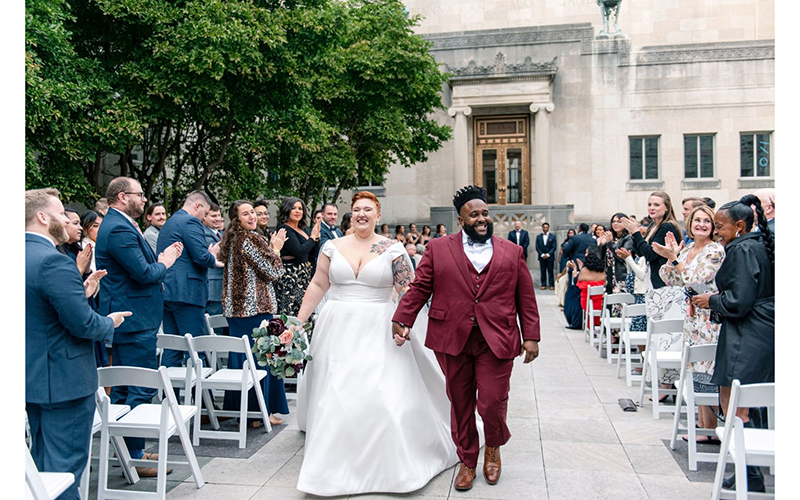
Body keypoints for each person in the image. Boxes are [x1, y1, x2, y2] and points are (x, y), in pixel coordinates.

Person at [294, 191, 458, 496]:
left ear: (378, 216)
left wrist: (404, 323)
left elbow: (407, 290)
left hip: (379, 326)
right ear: (351, 214)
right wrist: (297, 322)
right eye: (356, 209)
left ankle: (389, 465)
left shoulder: (393, 248)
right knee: (335, 393)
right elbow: (318, 284)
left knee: (381, 392)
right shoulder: (332, 246)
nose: (361, 214)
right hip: (336, 327)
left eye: (368, 209)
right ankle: (329, 469)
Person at [392, 185, 540, 492]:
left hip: (496, 338)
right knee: (460, 404)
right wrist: (402, 318)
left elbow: (525, 296)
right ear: (461, 220)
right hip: (452, 337)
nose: (482, 219)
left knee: (492, 403)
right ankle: (468, 460)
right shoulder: (438, 248)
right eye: (474, 214)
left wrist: (532, 336)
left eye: (485, 213)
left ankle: (493, 447)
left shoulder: (512, 252)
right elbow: (420, 288)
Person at [26, 188, 129, 500]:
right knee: (64, 470)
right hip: (63, 380)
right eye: (60, 214)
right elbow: (83, 324)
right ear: (42, 217)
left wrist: (78, 295)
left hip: (32, 377)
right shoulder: (52, 261)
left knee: (42, 464)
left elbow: (37, 310)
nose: (67, 220)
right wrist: (110, 321)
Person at [95, 177, 183, 475]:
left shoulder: (119, 223)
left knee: (123, 386)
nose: (145, 199)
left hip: (133, 317)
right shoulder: (118, 227)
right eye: (140, 194)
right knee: (138, 386)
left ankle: (129, 452)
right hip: (134, 320)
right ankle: (134, 455)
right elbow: (144, 273)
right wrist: (165, 263)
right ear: (122, 196)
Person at [691, 195, 774, 493]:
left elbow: (739, 300)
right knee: (747, 402)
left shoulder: (741, 249)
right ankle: (748, 472)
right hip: (757, 330)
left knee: (739, 405)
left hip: (748, 332)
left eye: (720, 226)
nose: (715, 231)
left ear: (739, 226)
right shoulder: (755, 245)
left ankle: (748, 473)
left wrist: (709, 299)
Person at [655, 204, 724, 442]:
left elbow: (694, 279)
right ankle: (703, 424)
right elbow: (671, 278)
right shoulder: (689, 250)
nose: (701, 224)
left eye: (706, 221)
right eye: (697, 220)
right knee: (694, 368)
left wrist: (676, 260)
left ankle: (710, 428)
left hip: (708, 316)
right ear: (690, 224)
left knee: (706, 367)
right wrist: (670, 257)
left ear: (713, 225)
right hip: (692, 317)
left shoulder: (714, 251)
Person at [219, 200, 288, 427]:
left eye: (252, 213)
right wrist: (276, 249)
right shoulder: (250, 238)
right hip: (254, 308)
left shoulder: (231, 239)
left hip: (236, 309)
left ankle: (244, 411)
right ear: (236, 218)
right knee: (260, 358)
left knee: (241, 358)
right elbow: (273, 271)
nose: (251, 217)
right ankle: (259, 413)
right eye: (245, 214)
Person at [621, 191, 685, 399]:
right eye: (650, 204)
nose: (652, 208)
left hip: (666, 288)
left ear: (666, 207)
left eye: (657, 204)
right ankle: (662, 383)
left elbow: (650, 254)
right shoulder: (654, 226)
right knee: (658, 336)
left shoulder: (667, 227)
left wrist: (635, 233)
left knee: (667, 337)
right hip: (654, 287)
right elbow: (644, 253)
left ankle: (667, 386)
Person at [157, 191, 221, 368]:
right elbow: (201, 257)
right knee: (195, 347)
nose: (204, 217)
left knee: (172, 347)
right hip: (188, 292)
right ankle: (200, 395)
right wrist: (212, 256)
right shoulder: (190, 221)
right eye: (205, 213)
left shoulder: (170, 222)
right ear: (198, 206)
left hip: (168, 291)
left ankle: (171, 395)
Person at [276, 197, 320, 317]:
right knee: (292, 312)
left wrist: (316, 237)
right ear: (286, 210)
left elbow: (312, 252)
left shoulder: (302, 230)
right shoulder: (284, 228)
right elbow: (299, 251)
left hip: (303, 276)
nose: (297, 211)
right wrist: (312, 238)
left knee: (304, 311)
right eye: (293, 208)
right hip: (291, 277)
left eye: (300, 208)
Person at [202, 203, 225, 317]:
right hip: (213, 287)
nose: (217, 219)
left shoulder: (221, 234)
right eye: (213, 216)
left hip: (222, 286)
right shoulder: (203, 234)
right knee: (215, 326)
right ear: (204, 217)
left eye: (219, 215)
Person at [575, 245, 605, 326]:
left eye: (586, 253)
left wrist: (580, 269)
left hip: (588, 305)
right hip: (603, 305)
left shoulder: (584, 271)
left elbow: (578, 281)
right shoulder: (605, 271)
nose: (585, 255)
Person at [535, 222, 556, 290]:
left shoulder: (552, 237)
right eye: (544, 227)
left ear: (548, 228)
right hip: (542, 257)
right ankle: (543, 284)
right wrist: (542, 254)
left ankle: (551, 284)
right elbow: (537, 247)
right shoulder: (538, 237)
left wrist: (548, 254)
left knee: (550, 271)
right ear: (542, 228)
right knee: (543, 271)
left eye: (546, 227)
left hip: (550, 257)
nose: (545, 228)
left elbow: (554, 247)